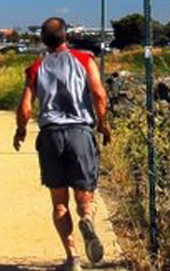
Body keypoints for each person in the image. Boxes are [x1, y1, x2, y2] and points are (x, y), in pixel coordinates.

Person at [14, 17, 111, 271]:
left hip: (50, 135)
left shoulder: (36, 68)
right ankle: (87, 218)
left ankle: (72, 259)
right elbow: (99, 95)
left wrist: (21, 130)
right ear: (66, 36)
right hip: (80, 132)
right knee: (84, 194)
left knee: (59, 202)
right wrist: (103, 124)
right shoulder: (84, 60)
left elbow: (25, 108)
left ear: (43, 40)